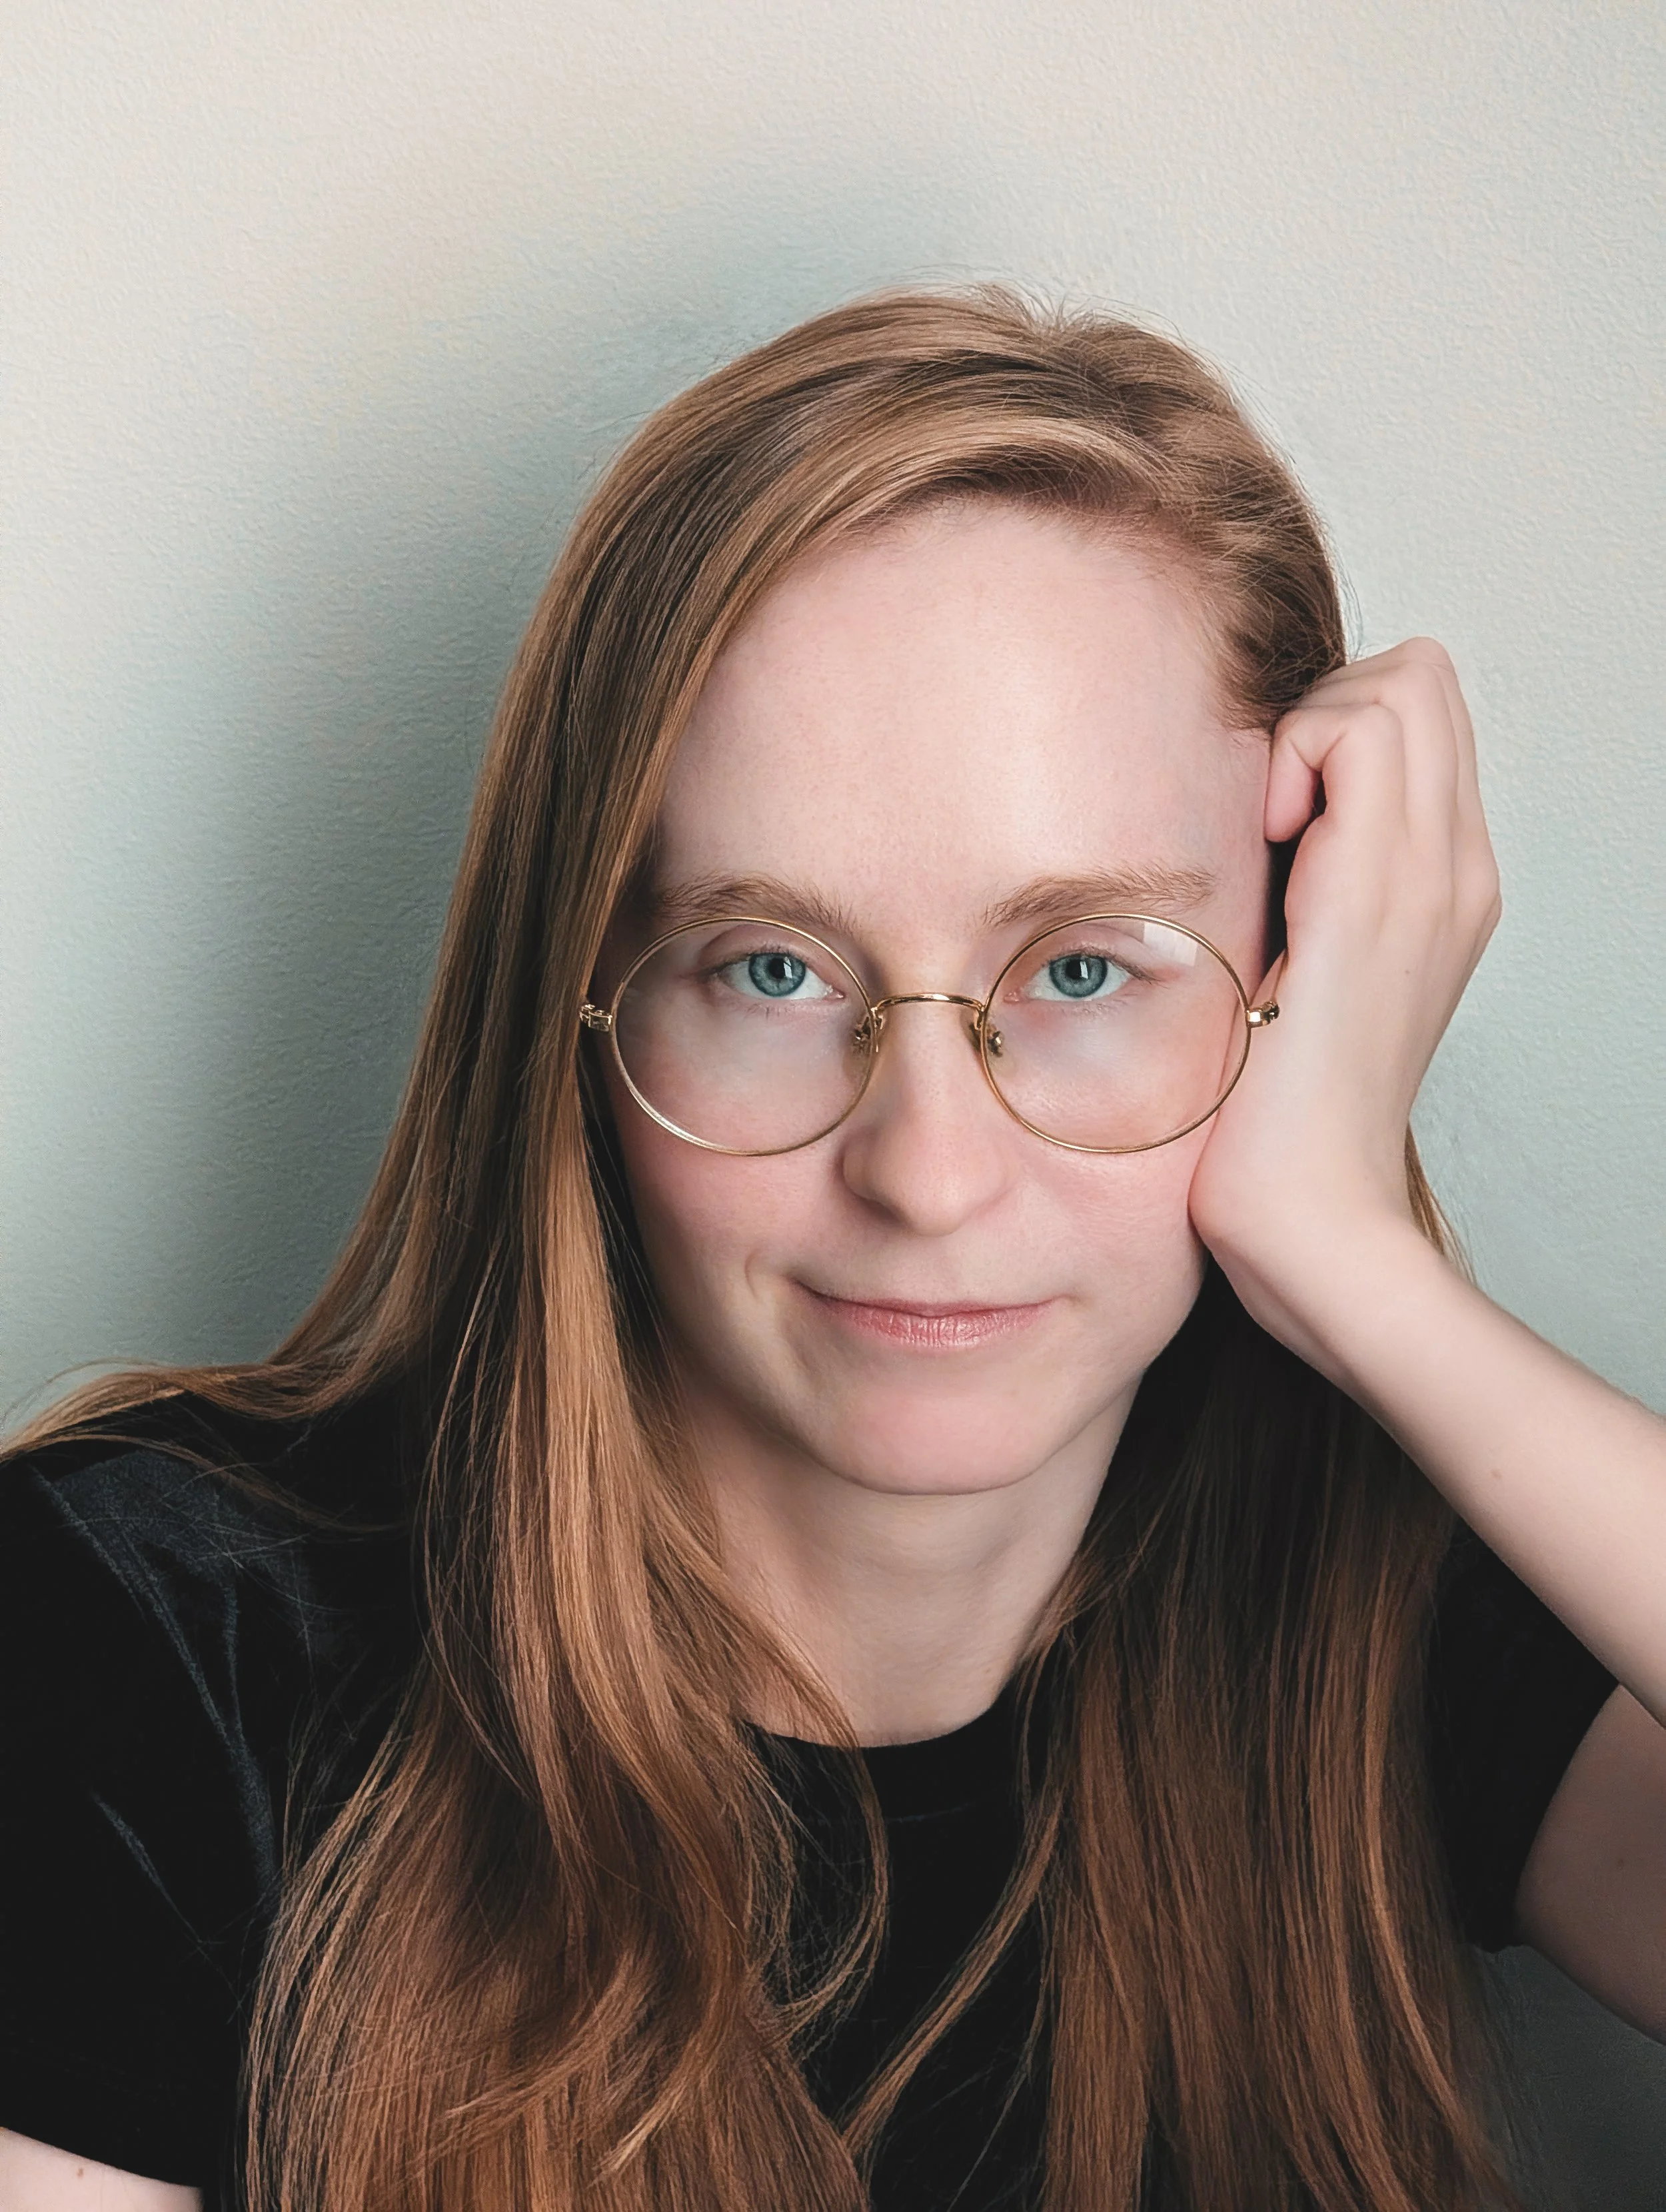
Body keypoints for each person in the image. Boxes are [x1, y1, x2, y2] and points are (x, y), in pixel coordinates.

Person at [3, 288, 1663, 2212]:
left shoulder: (1357, 1615)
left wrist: (1352, 1256)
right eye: (772, 967)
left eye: (1080, 968)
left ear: (1296, 987)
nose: (929, 1172)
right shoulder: (129, 1656)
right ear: (590, 1009)